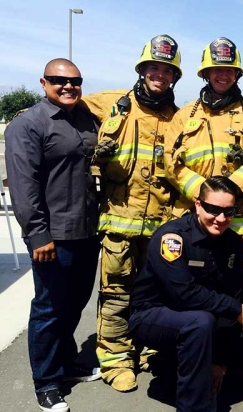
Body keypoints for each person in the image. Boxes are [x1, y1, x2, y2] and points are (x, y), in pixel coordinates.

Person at [80, 34, 183, 392]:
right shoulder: (112, 103)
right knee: (116, 293)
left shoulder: (181, 117)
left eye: (167, 71)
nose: (160, 75)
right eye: (153, 68)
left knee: (154, 294)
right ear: (141, 70)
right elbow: (64, 105)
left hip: (160, 227)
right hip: (119, 225)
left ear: (175, 77)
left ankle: (148, 349)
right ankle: (115, 359)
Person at [5, 58, 101, 412]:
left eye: (75, 81)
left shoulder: (85, 119)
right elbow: (23, 186)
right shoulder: (28, 124)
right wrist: (38, 235)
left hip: (86, 231)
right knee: (48, 309)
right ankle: (46, 382)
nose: (68, 86)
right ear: (44, 82)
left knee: (74, 303)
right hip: (53, 237)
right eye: (59, 80)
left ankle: (66, 361)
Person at [129, 176, 243, 412]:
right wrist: (233, 309)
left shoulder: (233, 243)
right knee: (199, 323)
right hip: (153, 315)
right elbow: (183, 294)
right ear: (198, 205)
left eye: (228, 211)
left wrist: (219, 361)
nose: (220, 218)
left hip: (203, 318)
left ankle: (186, 368)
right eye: (213, 209)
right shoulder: (173, 238)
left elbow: (232, 294)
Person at [164, 37, 243, 269]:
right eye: (216, 70)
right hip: (197, 220)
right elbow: (171, 164)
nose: (223, 75)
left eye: (229, 70)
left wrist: (229, 193)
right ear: (206, 73)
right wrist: (205, 197)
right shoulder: (184, 116)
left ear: (237, 74)